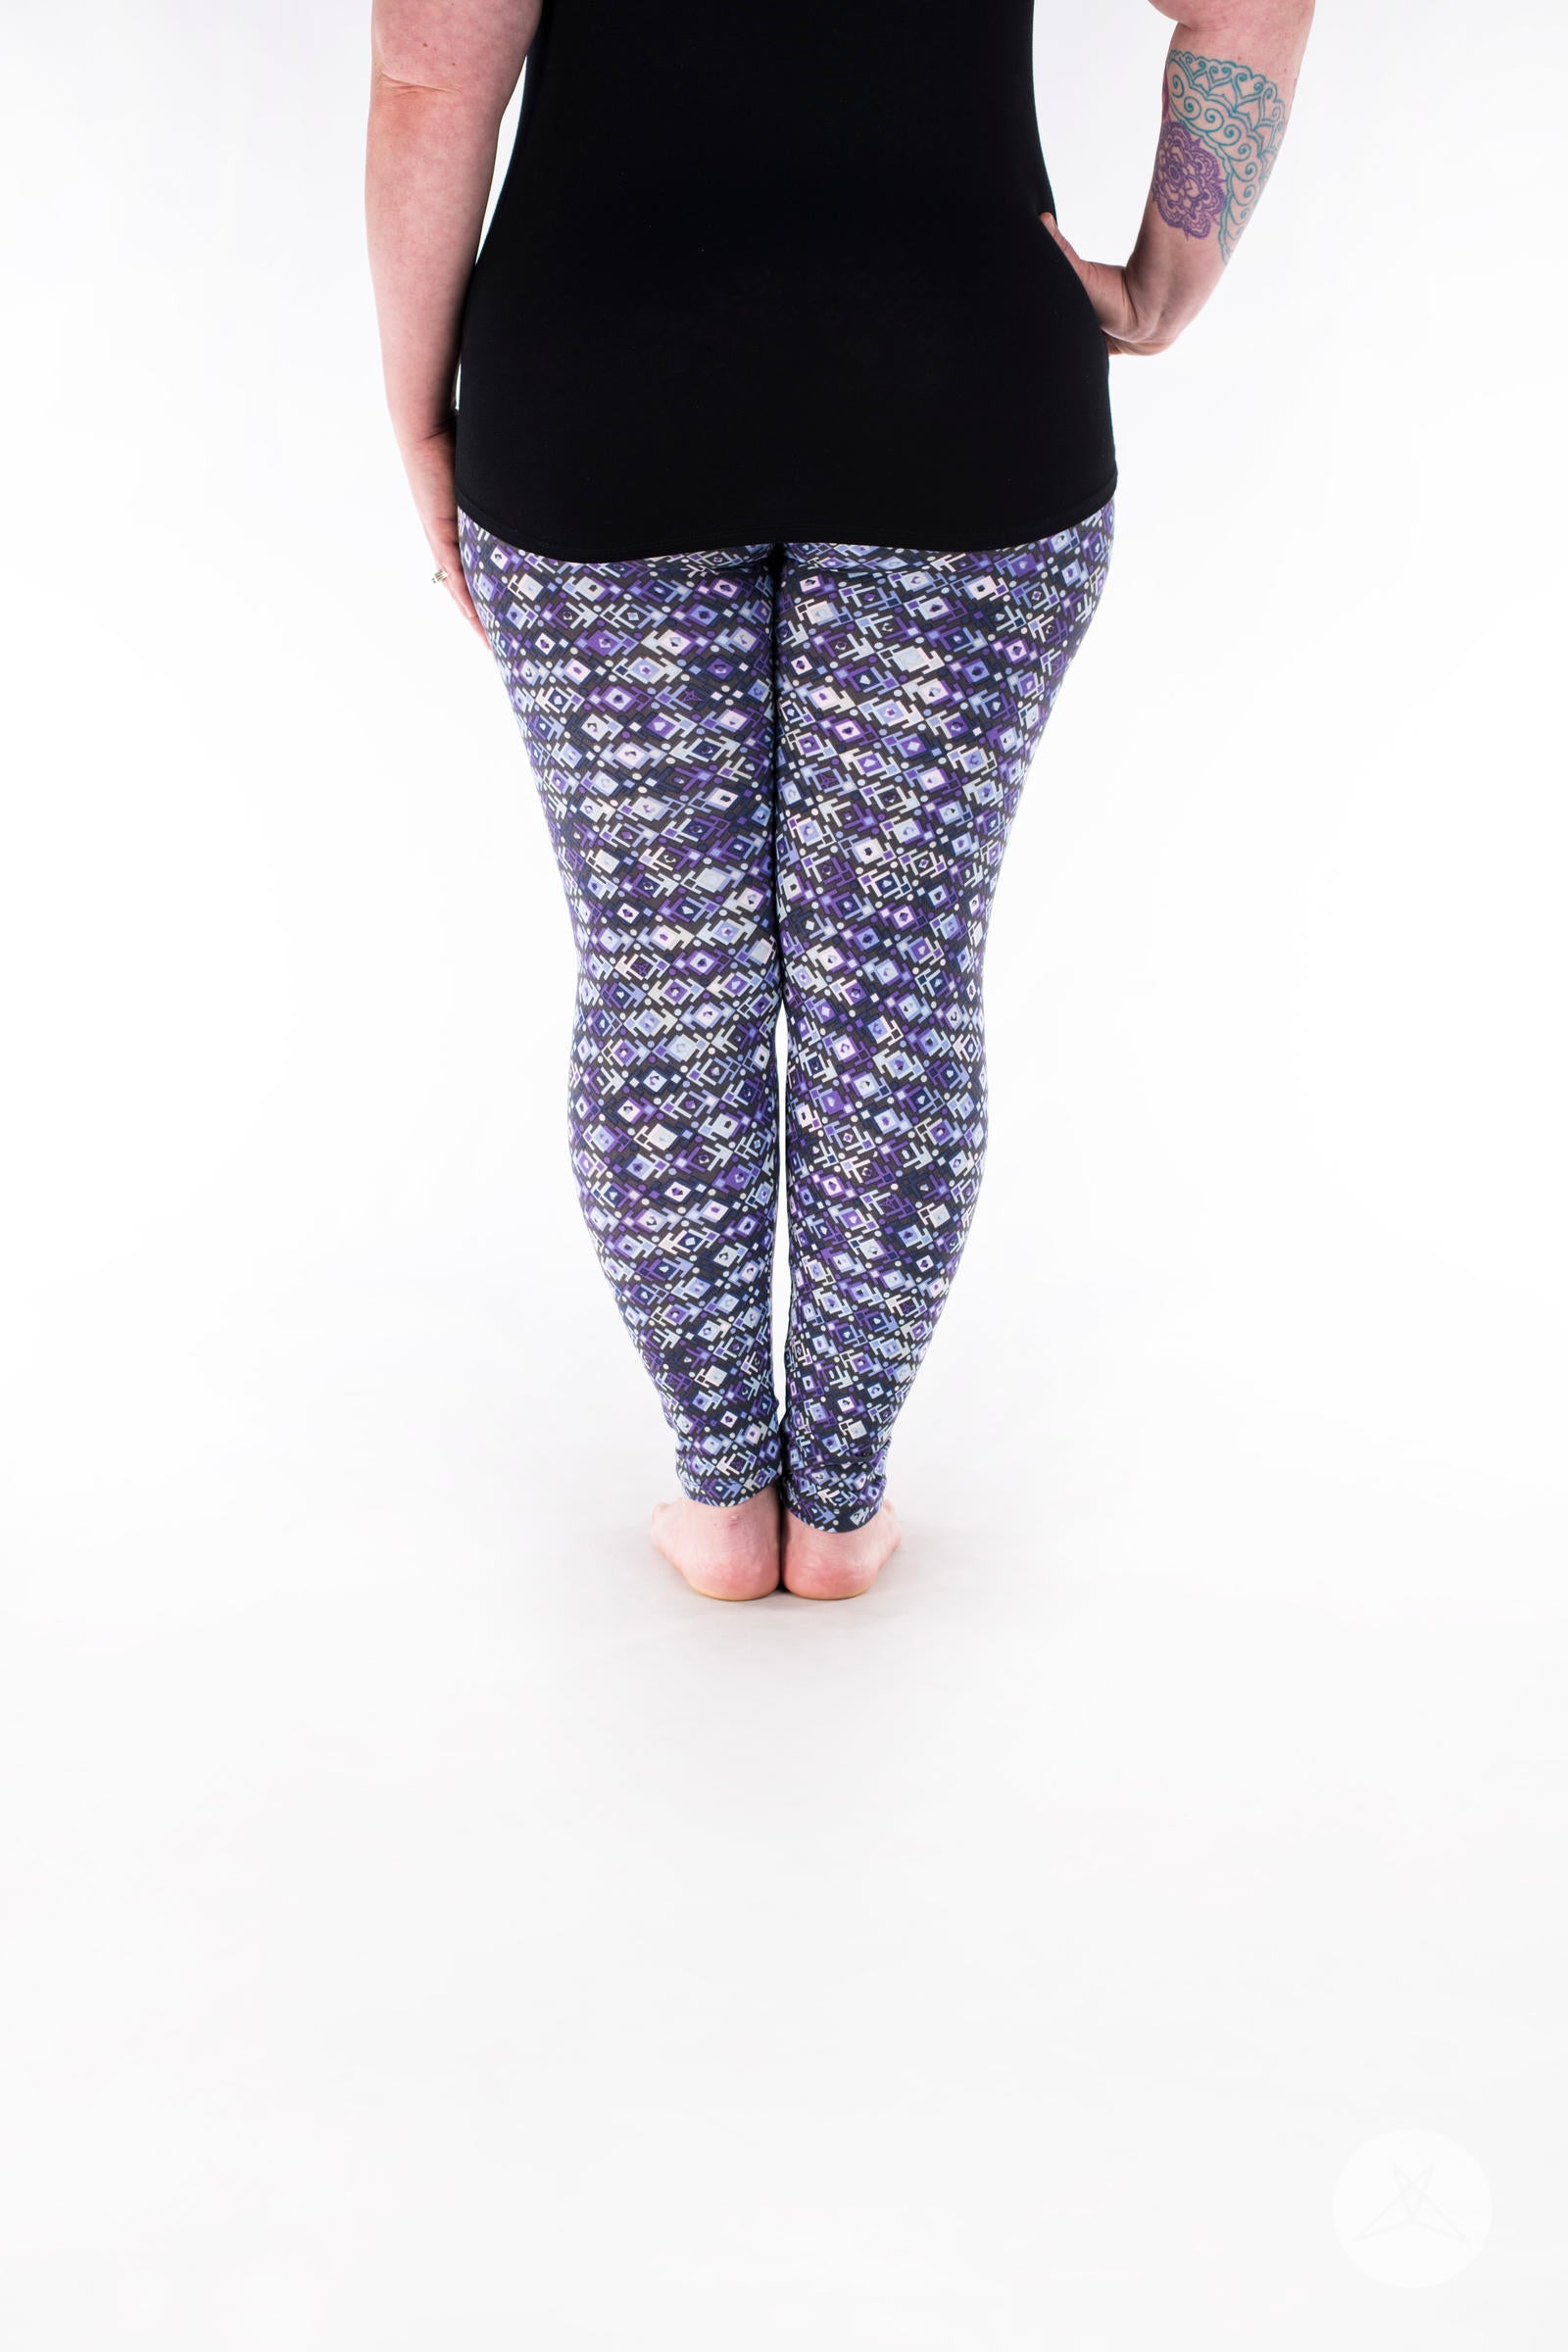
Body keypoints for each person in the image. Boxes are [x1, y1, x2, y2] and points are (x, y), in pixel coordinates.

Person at [365, 0, 1315, 1603]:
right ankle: (843, 1504)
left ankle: (725, 1498)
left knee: (666, 981)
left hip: (598, 385)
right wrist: (1167, 283)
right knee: (898, 984)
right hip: (962, 383)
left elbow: (426, 73)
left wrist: (417, 418)